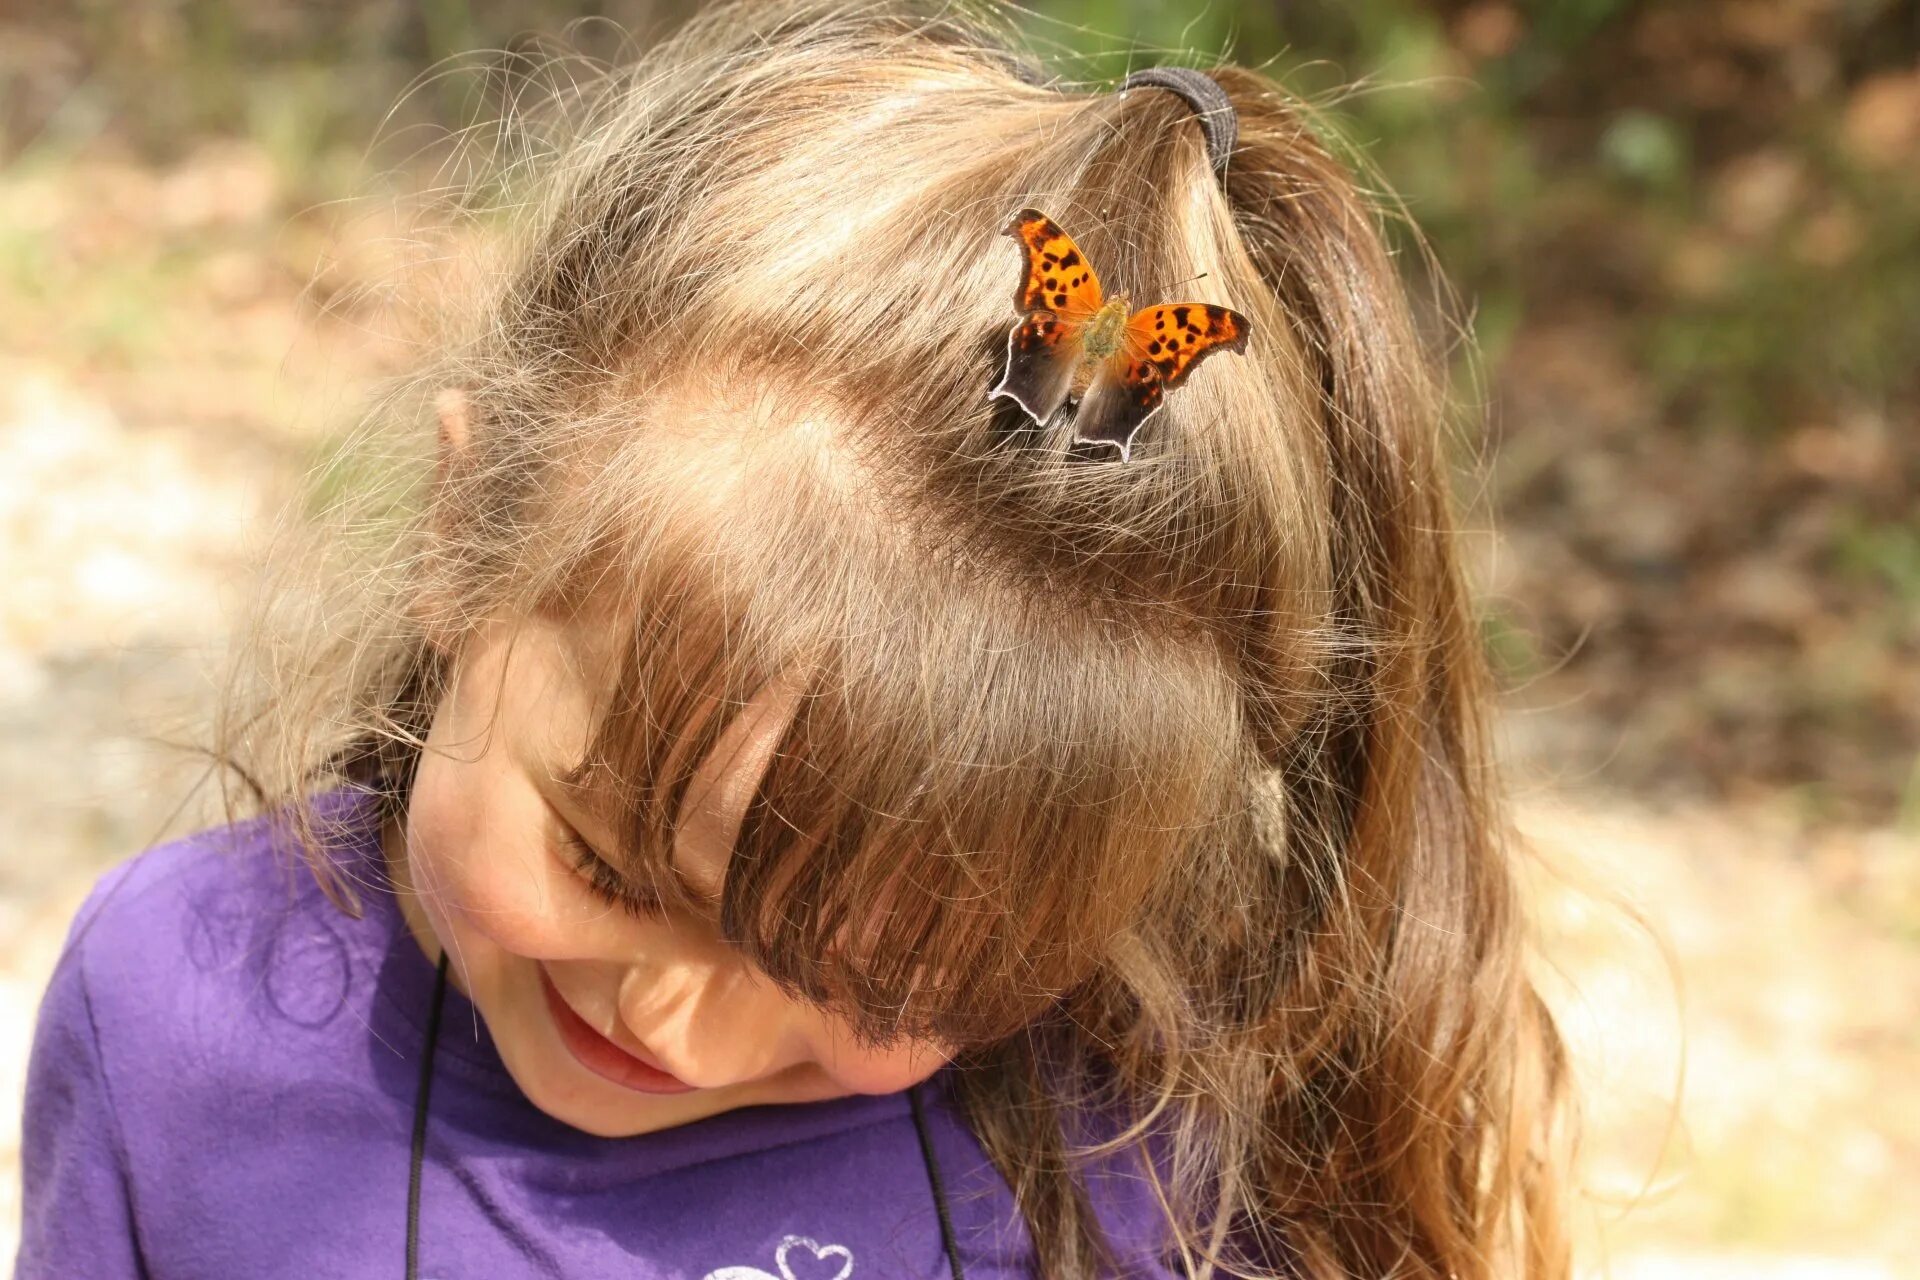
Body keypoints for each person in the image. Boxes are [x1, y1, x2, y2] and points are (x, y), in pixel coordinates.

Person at [14, 1, 1572, 1276]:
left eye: (880, 980)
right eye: (611, 866)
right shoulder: (183, 1020)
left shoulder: (1140, 1149)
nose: (677, 1024)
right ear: (464, 522)